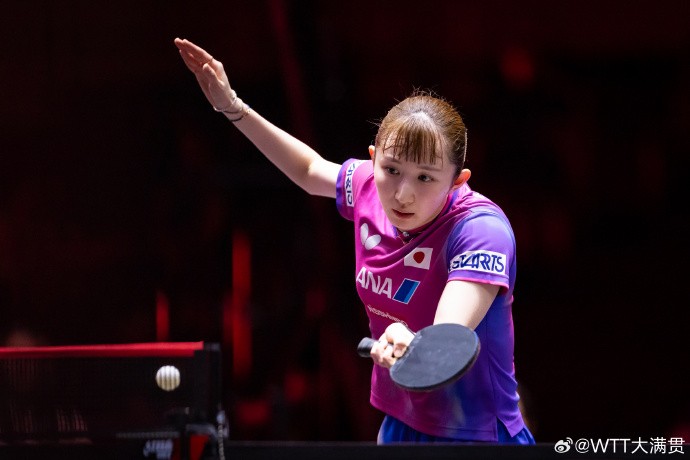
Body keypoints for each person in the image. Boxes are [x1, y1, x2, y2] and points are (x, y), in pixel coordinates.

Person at [174, 37, 535, 444]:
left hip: (479, 433)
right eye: (391, 170)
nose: (402, 194)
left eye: (425, 178)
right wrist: (233, 107)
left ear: (457, 180)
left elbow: (448, 334)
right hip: (402, 422)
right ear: (373, 158)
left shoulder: (480, 230)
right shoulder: (367, 186)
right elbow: (308, 169)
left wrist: (413, 343)